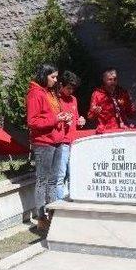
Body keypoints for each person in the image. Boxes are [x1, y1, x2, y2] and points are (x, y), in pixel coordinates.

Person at [27, 64, 70, 231]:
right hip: (43, 143)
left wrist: (62, 118)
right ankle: (41, 217)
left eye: (56, 77)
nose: (56, 80)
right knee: (42, 181)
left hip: (57, 140)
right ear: (44, 76)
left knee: (53, 180)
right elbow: (33, 121)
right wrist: (55, 119)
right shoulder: (35, 94)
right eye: (53, 77)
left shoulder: (50, 93)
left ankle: (52, 213)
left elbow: (52, 115)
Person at [56, 71, 86, 199]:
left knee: (73, 174)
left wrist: (81, 121)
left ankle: (73, 201)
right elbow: (52, 120)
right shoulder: (55, 99)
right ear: (61, 85)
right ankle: (58, 205)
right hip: (62, 142)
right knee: (60, 175)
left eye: (73, 88)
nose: (71, 91)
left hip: (74, 141)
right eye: (68, 88)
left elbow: (76, 118)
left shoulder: (74, 99)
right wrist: (62, 120)